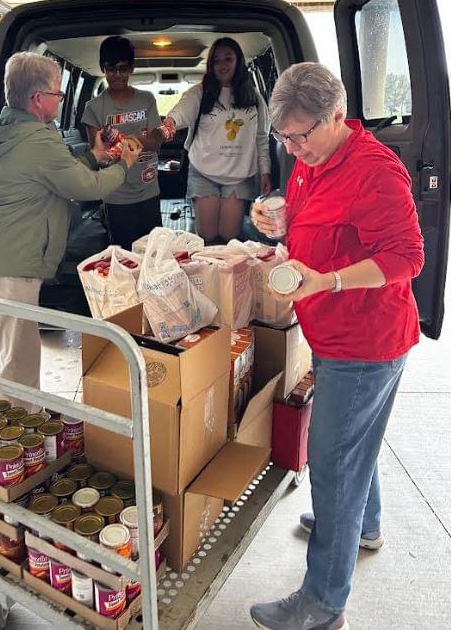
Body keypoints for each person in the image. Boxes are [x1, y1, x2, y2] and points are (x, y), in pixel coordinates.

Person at [249, 62, 424, 630]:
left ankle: (322, 604)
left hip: (365, 341)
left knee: (333, 464)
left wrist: (328, 280)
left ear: (337, 116)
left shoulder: (375, 171)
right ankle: (364, 526)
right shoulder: (310, 162)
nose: (295, 147)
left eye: (303, 134)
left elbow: (407, 258)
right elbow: (313, 220)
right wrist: (279, 220)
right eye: (284, 137)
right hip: (330, 333)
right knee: (353, 443)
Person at [0, 51, 140, 411]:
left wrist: (95, 156)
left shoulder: (9, 131)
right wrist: (124, 165)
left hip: (1, 254)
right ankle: (15, 429)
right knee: (18, 358)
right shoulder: (37, 140)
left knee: (15, 350)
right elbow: (87, 188)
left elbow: (58, 172)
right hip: (16, 258)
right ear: (37, 99)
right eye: (58, 93)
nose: (60, 99)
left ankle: (19, 418)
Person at [163, 37, 272, 244]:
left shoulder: (254, 97)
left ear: (238, 61)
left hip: (240, 176)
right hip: (204, 173)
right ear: (210, 65)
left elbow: (261, 138)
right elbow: (179, 113)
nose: (222, 65)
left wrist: (265, 171)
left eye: (228, 59)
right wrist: (167, 125)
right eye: (216, 61)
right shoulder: (199, 92)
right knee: (208, 237)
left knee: (230, 238)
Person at [81, 36, 164, 250]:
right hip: (115, 194)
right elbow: (97, 153)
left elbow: (157, 142)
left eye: (123, 68)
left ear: (131, 69)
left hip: (148, 190)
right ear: (102, 68)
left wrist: (135, 140)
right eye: (111, 69)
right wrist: (116, 146)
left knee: (153, 253)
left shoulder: (147, 100)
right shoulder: (94, 107)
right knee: (123, 256)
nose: (117, 75)